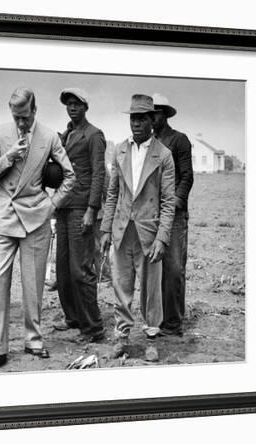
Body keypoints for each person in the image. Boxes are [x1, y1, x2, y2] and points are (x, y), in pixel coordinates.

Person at [0, 87, 76, 374]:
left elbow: (70, 175)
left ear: (35, 111)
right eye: (16, 117)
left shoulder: (50, 136)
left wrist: (52, 205)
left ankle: (33, 340)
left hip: (36, 218)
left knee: (33, 285)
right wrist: (10, 156)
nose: (20, 123)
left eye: (25, 117)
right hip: (5, 219)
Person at [100, 94, 175, 362]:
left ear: (152, 121)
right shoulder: (120, 150)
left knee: (151, 290)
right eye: (133, 118)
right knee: (121, 287)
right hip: (122, 230)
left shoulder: (163, 155)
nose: (136, 123)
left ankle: (151, 340)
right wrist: (106, 230)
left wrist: (162, 238)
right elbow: (112, 194)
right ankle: (122, 338)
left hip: (149, 232)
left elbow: (168, 201)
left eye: (142, 118)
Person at [53, 87, 106, 342]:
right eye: (69, 104)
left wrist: (91, 210)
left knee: (81, 270)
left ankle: (93, 328)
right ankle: (73, 318)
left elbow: (99, 174)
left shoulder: (94, 135)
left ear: (86, 107)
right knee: (63, 269)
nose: (72, 108)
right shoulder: (66, 134)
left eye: (77, 104)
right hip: (63, 207)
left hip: (81, 208)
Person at [152, 93, 194, 336]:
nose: (152, 116)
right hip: (152, 212)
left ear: (165, 114)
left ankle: (174, 323)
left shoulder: (179, 140)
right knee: (154, 268)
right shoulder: (147, 142)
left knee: (174, 269)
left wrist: (174, 204)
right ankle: (157, 319)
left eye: (157, 112)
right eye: (150, 112)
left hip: (175, 215)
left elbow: (187, 176)